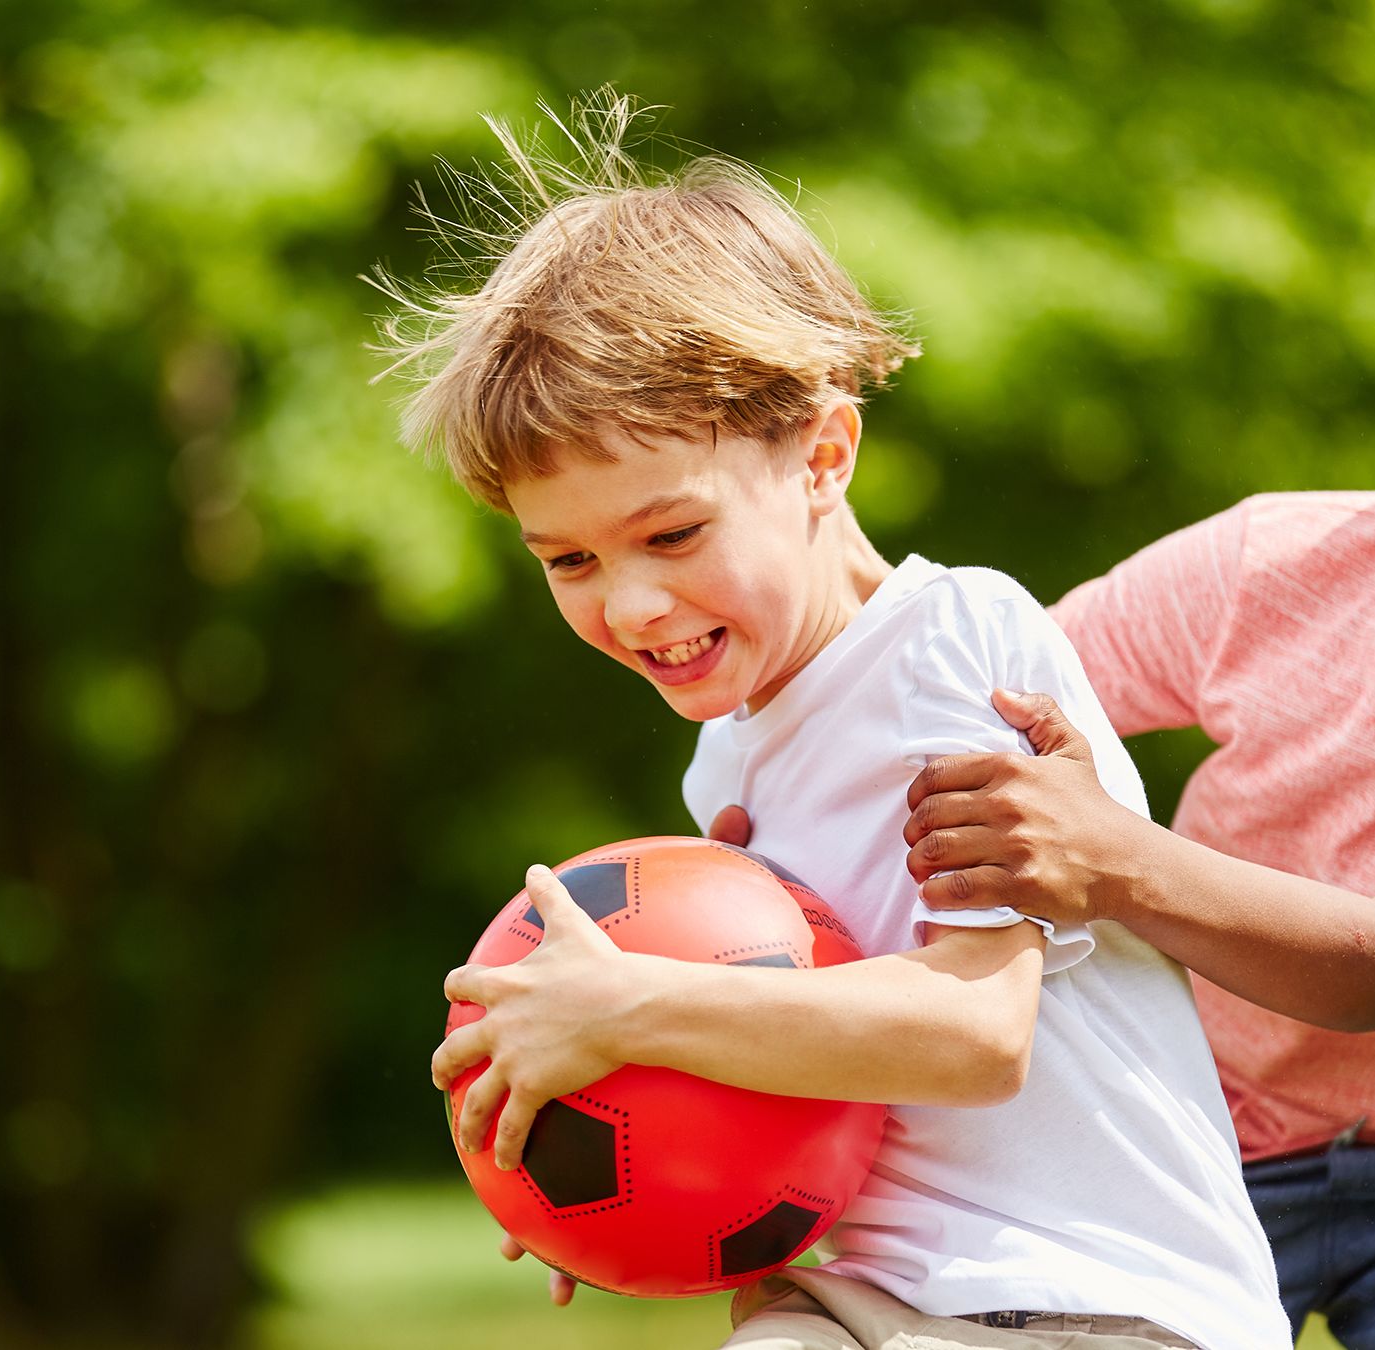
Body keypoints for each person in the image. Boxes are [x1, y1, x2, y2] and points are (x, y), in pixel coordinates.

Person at [390, 100, 1286, 1350]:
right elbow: (793, 1063)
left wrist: (626, 1010)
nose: (631, 602)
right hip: (858, 1290)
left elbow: (978, 1032)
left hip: (1088, 1298)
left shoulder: (954, 646)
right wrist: (617, 1170)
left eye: (672, 534)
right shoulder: (729, 763)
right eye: (570, 559)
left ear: (823, 457)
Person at [892, 156, 1375, 1348]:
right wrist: (796, 843)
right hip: (1179, 1129)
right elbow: (968, 708)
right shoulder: (1275, 567)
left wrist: (1113, 858)